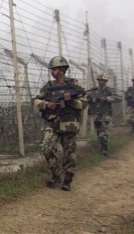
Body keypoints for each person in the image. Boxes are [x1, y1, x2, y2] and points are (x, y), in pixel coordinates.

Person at [34, 56, 87, 191]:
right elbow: (35, 100)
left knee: (69, 152)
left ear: (63, 70)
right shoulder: (49, 86)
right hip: (52, 122)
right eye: (51, 69)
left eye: (55, 69)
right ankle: (56, 174)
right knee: (47, 147)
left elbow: (83, 104)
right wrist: (46, 104)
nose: (52, 72)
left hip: (69, 122)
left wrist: (71, 101)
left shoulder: (74, 85)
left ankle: (67, 179)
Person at [86, 73, 122, 156]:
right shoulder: (93, 90)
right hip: (96, 113)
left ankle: (104, 149)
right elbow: (87, 98)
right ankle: (102, 146)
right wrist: (89, 98)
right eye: (99, 80)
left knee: (103, 132)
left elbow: (119, 97)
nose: (101, 82)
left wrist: (106, 98)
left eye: (103, 80)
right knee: (98, 131)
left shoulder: (109, 90)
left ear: (105, 81)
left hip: (105, 114)